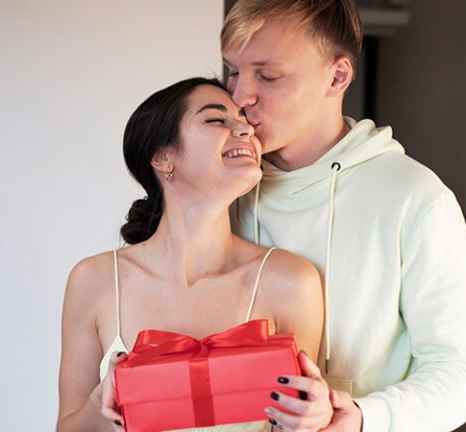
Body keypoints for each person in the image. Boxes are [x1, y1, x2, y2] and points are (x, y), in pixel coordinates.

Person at [222, 1, 466, 431]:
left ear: (338, 76)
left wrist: (364, 417)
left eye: (267, 76)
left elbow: (460, 370)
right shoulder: (220, 190)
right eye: (233, 72)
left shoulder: (416, 198)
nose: (239, 97)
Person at [56, 77, 324, 432]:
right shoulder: (95, 281)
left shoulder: (290, 282)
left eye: (243, 118)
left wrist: (314, 420)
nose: (246, 128)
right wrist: (103, 396)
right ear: (164, 157)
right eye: (217, 120)